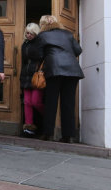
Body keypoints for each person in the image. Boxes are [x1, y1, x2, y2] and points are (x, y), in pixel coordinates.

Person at [31, 15, 84, 143]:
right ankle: (68, 136)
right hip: (72, 70)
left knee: (51, 102)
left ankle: (48, 134)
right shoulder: (68, 34)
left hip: (54, 69)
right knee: (68, 104)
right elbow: (78, 50)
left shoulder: (42, 36)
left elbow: (38, 54)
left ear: (42, 25)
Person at [19, 22, 44, 137]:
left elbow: (43, 58)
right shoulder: (25, 44)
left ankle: (46, 119)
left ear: (36, 33)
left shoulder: (40, 43)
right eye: (27, 33)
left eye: (31, 33)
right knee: (27, 102)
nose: (29, 35)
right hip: (26, 75)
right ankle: (29, 126)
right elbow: (24, 62)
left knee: (35, 101)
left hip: (36, 75)